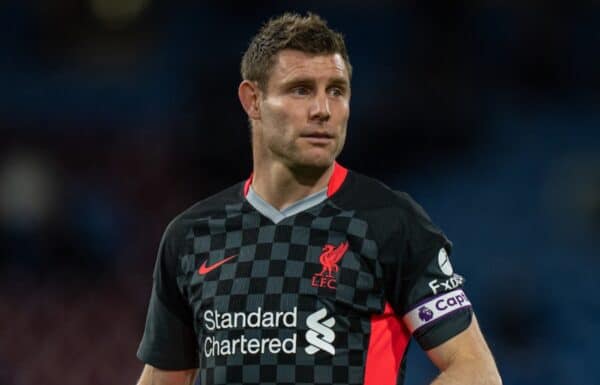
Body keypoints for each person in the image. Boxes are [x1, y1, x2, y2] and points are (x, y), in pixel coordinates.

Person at [135, 12, 502, 385]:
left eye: (337, 91)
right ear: (253, 100)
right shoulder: (191, 236)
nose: (323, 110)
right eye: (301, 89)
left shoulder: (389, 222)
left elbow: (475, 371)